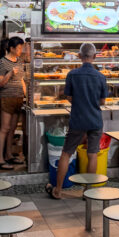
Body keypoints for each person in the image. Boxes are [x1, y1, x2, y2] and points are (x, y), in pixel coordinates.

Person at [47, 42, 108, 200]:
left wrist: (79, 101)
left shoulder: (72, 74)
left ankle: (58, 190)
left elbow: (68, 97)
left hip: (77, 119)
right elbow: (102, 101)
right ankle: (88, 192)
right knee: (92, 154)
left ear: (80, 56)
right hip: (95, 119)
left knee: (66, 153)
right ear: (94, 57)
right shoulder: (101, 77)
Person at [0, 36, 26, 170]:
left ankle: (8, 155)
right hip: (6, 98)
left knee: (12, 129)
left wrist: (26, 95)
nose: (20, 50)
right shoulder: (2, 62)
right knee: (4, 129)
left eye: (21, 48)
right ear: (11, 48)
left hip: (18, 98)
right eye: (18, 48)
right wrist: (10, 74)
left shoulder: (19, 61)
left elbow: (22, 80)